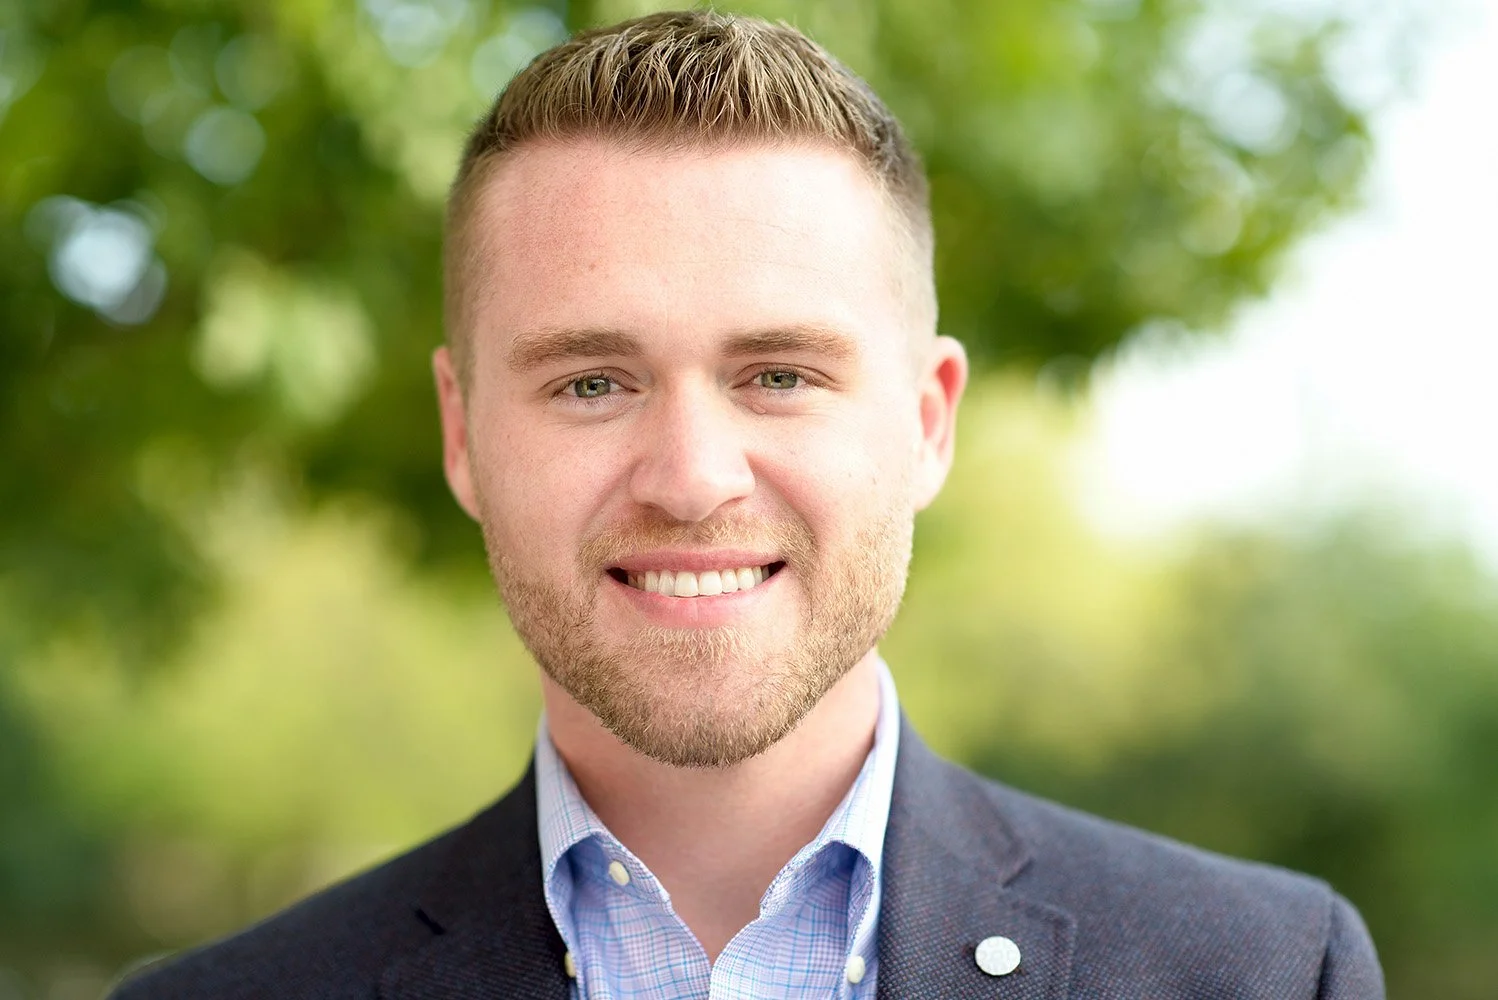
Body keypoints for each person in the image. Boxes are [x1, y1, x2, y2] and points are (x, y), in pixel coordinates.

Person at [112, 10, 1383, 999]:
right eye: (592, 381)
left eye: (779, 374)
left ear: (927, 422)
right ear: (461, 433)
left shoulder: (1265, 973)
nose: (691, 476)